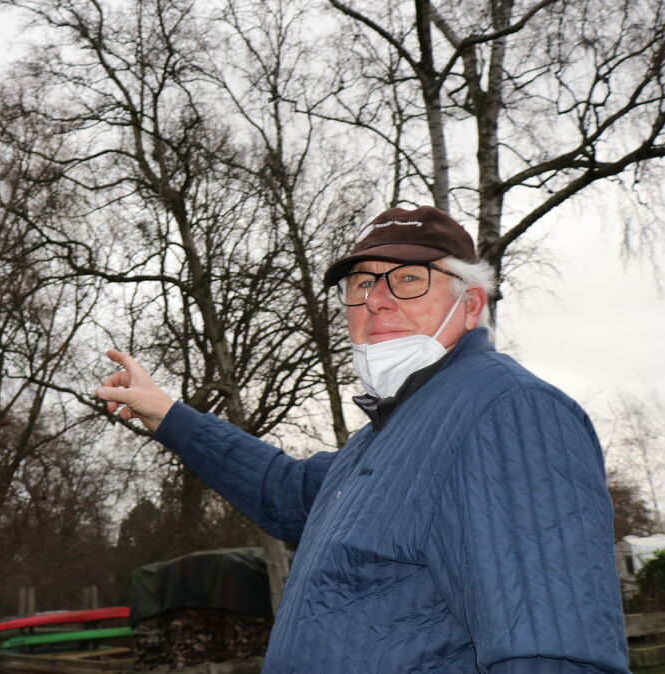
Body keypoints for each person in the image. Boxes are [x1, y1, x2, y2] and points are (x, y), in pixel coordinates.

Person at [96, 205, 630, 673]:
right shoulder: (382, 438)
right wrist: (168, 414)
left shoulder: (508, 411)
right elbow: (287, 491)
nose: (377, 299)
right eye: (362, 283)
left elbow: (553, 654)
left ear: (471, 304)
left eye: (410, 278)